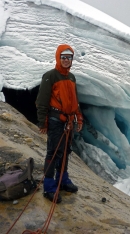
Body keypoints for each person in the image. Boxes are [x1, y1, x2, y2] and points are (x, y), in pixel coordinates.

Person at [36, 44, 83, 203]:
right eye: (63, 57)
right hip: (56, 120)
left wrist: (79, 117)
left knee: (66, 151)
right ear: (58, 57)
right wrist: (42, 122)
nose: (66, 60)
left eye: (69, 57)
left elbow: (75, 101)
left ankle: (62, 180)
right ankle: (49, 187)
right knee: (53, 152)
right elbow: (42, 101)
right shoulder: (50, 76)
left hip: (69, 121)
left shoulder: (71, 77)